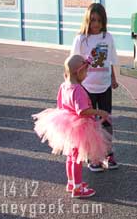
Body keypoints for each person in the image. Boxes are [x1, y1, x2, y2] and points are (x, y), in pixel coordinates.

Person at [33, 54, 112, 198]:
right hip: (79, 127)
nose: (87, 74)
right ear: (79, 72)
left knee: (71, 157)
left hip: (66, 125)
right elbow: (82, 111)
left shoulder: (64, 86)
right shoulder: (78, 90)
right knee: (77, 159)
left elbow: (60, 105)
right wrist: (99, 111)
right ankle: (77, 188)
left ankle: (72, 183)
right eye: (86, 71)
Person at [70, 3, 119, 172]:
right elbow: (73, 63)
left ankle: (107, 152)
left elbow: (110, 61)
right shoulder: (81, 39)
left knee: (106, 120)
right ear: (87, 20)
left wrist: (113, 78)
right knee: (90, 123)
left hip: (104, 86)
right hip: (87, 87)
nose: (95, 24)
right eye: (92, 20)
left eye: (99, 20)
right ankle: (93, 156)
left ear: (103, 21)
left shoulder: (108, 37)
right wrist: (73, 83)